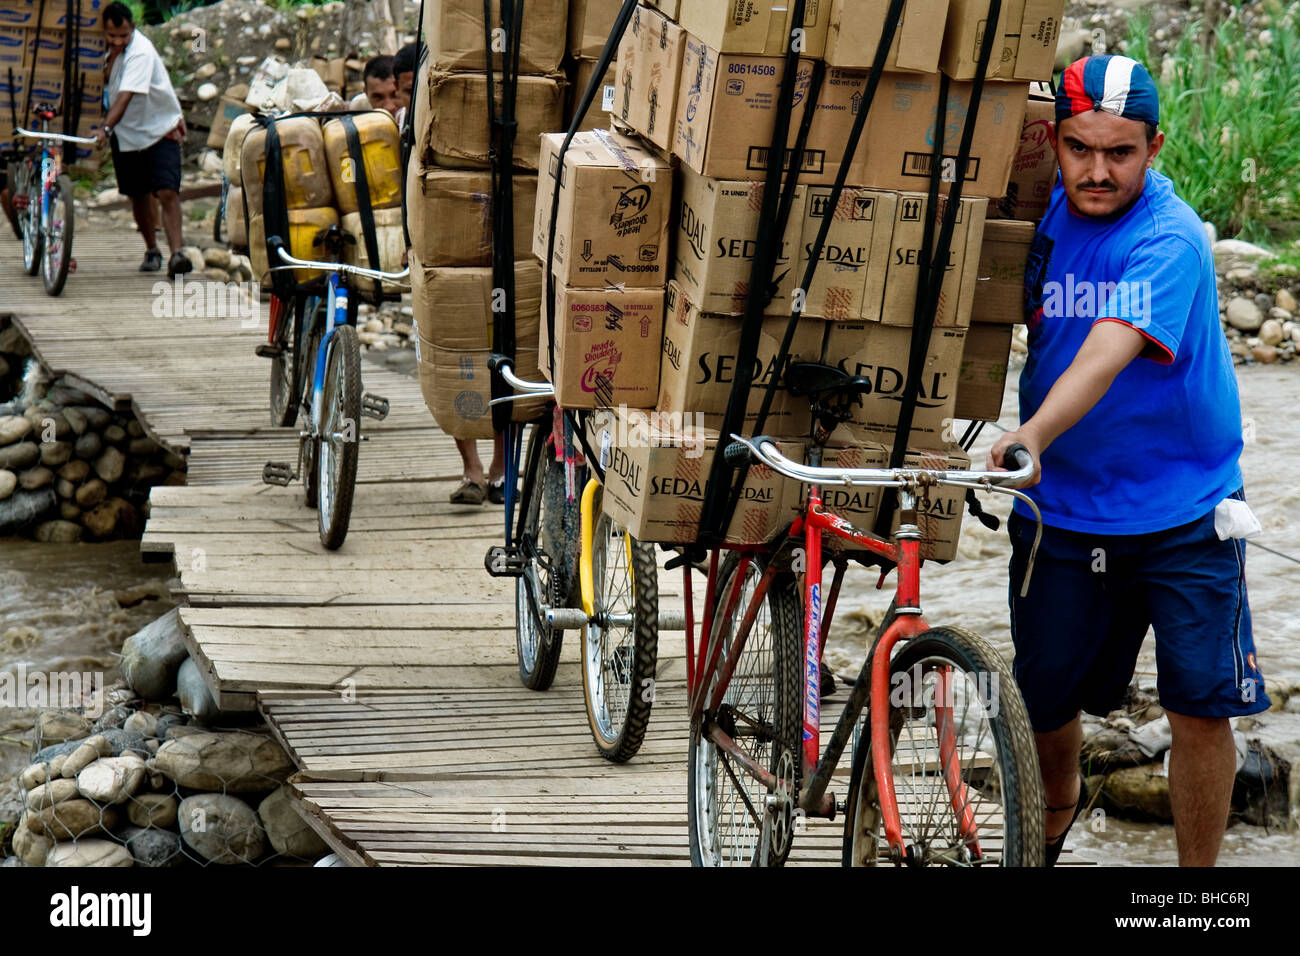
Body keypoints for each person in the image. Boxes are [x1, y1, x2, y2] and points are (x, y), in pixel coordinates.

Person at [987, 55, 1270, 867]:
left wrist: (1031, 433)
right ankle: (1045, 837)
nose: (1099, 171)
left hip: (1186, 511)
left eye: (1122, 153)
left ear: (1154, 146)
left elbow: (1108, 350)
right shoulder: (1039, 206)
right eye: (1081, 149)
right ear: (1055, 140)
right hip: (1063, 510)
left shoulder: (1169, 237)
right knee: (1044, 699)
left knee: (1198, 707)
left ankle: (1193, 893)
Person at [96, 1, 191, 277]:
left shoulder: (141, 52)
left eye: (123, 36)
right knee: (137, 194)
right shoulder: (103, 52)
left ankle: (177, 254)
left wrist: (104, 129)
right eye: (112, 36)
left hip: (158, 128)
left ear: (132, 29)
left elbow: (125, 96)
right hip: (126, 135)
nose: (117, 41)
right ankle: (152, 249)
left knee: (167, 192)